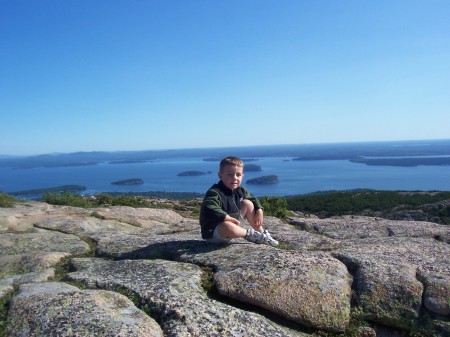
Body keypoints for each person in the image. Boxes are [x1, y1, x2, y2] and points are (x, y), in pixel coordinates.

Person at [199, 156, 279, 246]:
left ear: (242, 176)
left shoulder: (241, 190)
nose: (234, 178)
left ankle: (263, 235)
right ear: (220, 175)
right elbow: (210, 207)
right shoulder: (214, 192)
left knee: (248, 203)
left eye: (238, 175)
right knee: (227, 226)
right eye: (229, 174)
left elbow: (252, 199)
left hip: (234, 225)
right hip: (215, 232)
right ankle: (251, 235)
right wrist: (227, 218)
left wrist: (259, 210)